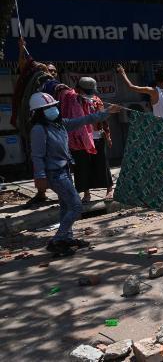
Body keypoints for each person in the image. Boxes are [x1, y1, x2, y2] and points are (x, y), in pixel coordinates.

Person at [28, 92, 120, 255]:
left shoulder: (60, 124)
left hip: (65, 169)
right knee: (76, 205)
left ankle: (66, 238)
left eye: (52, 106)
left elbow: (84, 120)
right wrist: (40, 177)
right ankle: (57, 239)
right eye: (47, 108)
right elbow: (37, 156)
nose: (52, 110)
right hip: (54, 173)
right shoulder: (38, 129)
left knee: (66, 206)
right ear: (39, 112)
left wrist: (107, 112)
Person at [73, 77, 114, 201]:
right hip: (81, 138)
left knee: (102, 163)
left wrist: (108, 135)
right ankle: (86, 193)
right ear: (79, 88)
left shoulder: (96, 100)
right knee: (83, 165)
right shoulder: (74, 100)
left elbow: (103, 118)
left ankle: (109, 190)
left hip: (97, 136)